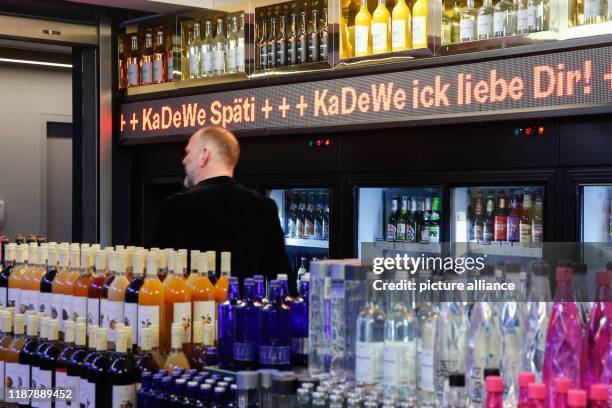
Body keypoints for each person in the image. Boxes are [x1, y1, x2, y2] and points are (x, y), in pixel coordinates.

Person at [149, 125, 294, 293]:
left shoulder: (176, 206)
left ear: (204, 155)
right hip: (246, 317)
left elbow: (155, 278)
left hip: (190, 316)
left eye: (188, 153)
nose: (184, 160)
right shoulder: (265, 207)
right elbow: (284, 278)